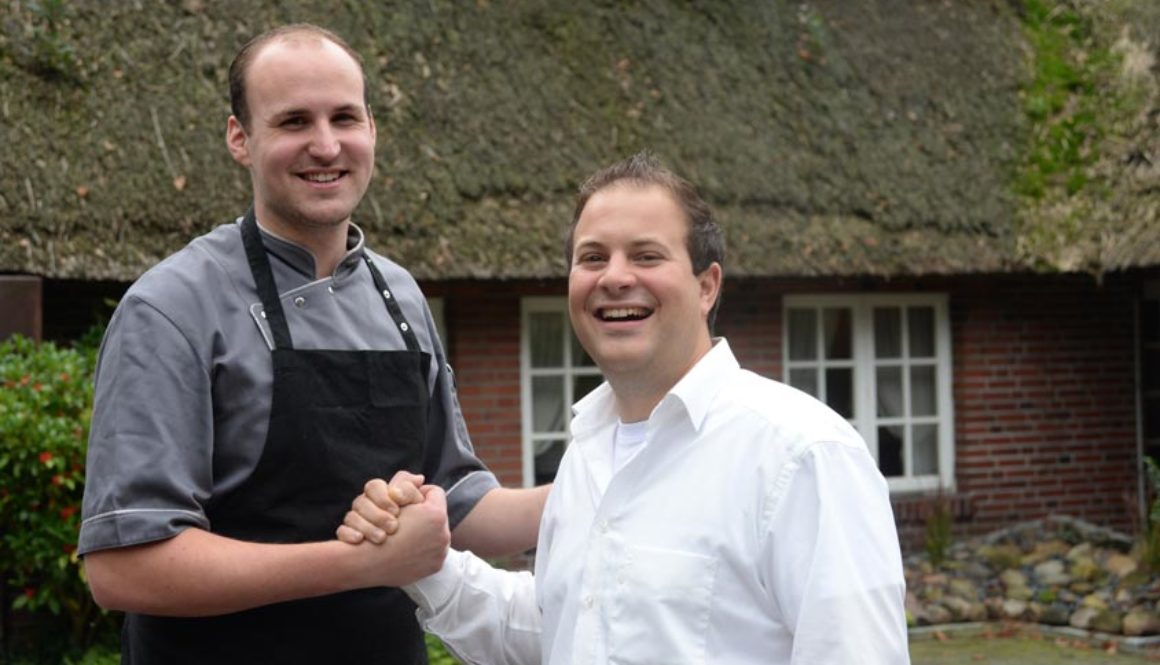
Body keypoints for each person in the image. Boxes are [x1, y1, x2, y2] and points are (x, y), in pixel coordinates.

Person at [78, 24, 547, 664]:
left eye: (344, 118)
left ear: (372, 130)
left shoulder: (401, 297)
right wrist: (358, 564)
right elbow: (124, 568)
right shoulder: (172, 307)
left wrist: (610, 490)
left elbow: (459, 503)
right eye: (294, 121)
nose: (326, 145)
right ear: (240, 138)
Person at [340, 152, 911, 664]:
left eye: (646, 255)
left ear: (707, 285)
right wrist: (425, 560)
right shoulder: (589, 451)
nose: (615, 278)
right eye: (593, 257)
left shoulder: (802, 454)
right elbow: (561, 628)